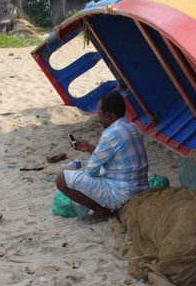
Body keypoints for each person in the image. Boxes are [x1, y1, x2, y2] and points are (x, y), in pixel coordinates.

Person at [55, 91, 149, 224]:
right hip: (139, 187)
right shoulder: (132, 127)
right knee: (101, 171)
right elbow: (112, 155)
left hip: (122, 194)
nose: (99, 118)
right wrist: (88, 148)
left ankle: (102, 212)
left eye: (99, 114)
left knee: (61, 179)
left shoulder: (110, 134)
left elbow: (91, 171)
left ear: (108, 115)